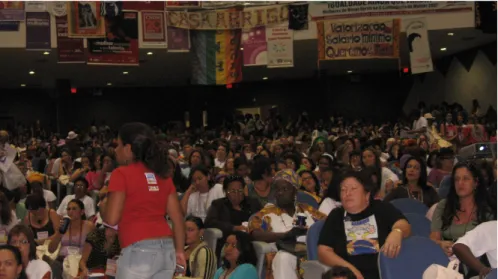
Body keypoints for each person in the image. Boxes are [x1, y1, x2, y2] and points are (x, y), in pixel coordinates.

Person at [103, 122, 186, 279]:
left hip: (138, 252)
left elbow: (111, 218)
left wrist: (104, 205)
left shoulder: (121, 174)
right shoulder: (163, 175)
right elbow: (178, 219)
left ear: (128, 149)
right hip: (167, 251)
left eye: (119, 145)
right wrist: (180, 251)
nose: (116, 150)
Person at [318, 170, 411, 279]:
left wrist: (397, 232)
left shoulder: (381, 208)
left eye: (353, 189)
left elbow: (404, 225)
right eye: (343, 190)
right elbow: (323, 251)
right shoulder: (336, 216)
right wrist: (351, 270)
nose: (347, 193)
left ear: (367, 195)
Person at [249, 169, 326, 279]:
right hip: (281, 257)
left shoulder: (307, 210)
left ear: (295, 191)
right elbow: (254, 233)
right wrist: (284, 235)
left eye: (285, 189)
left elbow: (328, 223)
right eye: (277, 189)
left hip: (310, 254)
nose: (279, 193)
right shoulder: (266, 213)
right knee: (284, 257)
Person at [430, 162, 496, 258]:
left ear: (476, 182)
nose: (460, 183)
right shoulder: (444, 205)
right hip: (448, 260)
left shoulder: (488, 209)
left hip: (478, 262)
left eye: (466, 178)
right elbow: (433, 238)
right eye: (457, 179)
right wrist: (440, 244)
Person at [205, 175, 262, 256]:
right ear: (225, 191)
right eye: (232, 191)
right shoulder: (218, 204)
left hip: (251, 241)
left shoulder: (253, 203)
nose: (237, 194)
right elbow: (209, 222)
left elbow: (263, 219)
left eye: (240, 190)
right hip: (228, 242)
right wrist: (234, 228)